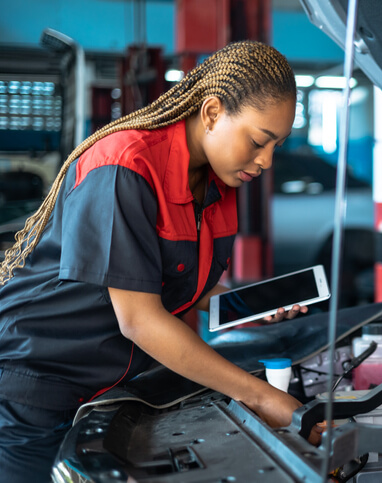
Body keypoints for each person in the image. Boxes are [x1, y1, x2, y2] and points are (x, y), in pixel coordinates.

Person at [0, 40, 316, 482]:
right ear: (211, 112)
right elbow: (140, 319)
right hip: (34, 386)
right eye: (258, 141)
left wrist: (244, 305)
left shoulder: (217, 184)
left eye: (276, 146)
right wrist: (260, 397)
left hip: (108, 388)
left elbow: (176, 281)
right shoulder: (124, 167)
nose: (265, 161)